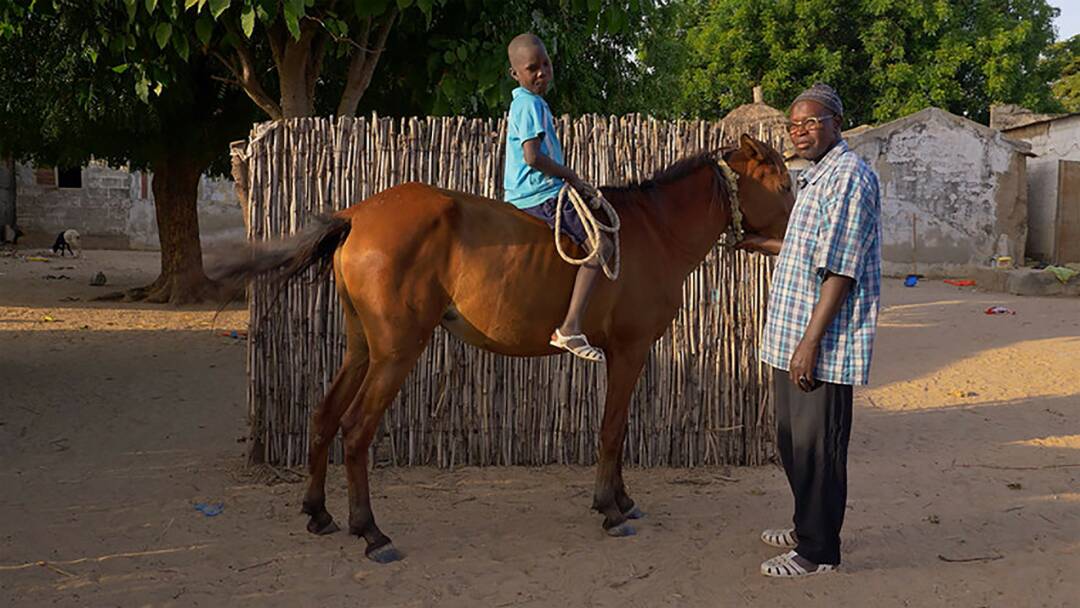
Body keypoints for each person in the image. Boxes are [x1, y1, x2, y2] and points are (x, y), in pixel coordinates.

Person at [738, 83, 882, 578]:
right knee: (792, 440)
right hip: (793, 335)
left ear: (836, 124)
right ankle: (805, 526)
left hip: (822, 341)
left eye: (812, 122)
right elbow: (809, 250)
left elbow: (839, 270)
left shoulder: (849, 178)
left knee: (819, 447)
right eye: (794, 125)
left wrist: (810, 343)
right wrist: (763, 243)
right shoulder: (817, 177)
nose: (800, 131)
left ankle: (818, 551)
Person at [503, 32, 611, 363]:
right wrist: (571, 177)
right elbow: (533, 157)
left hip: (528, 192)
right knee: (601, 245)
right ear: (515, 74)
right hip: (540, 193)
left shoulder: (523, 103)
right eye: (532, 68)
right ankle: (571, 326)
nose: (541, 73)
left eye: (546, 64)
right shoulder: (531, 104)